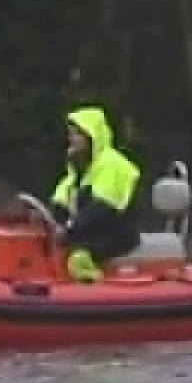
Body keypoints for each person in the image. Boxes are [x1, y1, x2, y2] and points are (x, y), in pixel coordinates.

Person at [49, 105, 141, 283]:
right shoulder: (78, 172)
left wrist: (68, 228)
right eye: (70, 134)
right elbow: (59, 202)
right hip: (88, 233)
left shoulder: (114, 166)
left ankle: (92, 289)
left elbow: (101, 210)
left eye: (76, 134)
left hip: (116, 233)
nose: (71, 139)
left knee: (78, 257)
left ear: (90, 136)